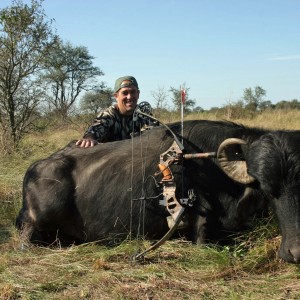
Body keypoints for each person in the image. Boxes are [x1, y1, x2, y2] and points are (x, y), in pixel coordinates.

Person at [76, 75, 156, 148]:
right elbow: (94, 130)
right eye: (125, 93)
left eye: (133, 92)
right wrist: (89, 138)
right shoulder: (109, 115)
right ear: (116, 96)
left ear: (138, 94)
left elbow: (158, 132)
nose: (129, 97)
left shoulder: (144, 114)